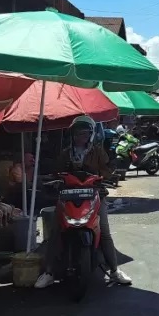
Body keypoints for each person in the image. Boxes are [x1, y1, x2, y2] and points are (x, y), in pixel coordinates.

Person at [35, 116, 131, 288]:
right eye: (79, 134)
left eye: (86, 133)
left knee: (105, 232)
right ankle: (49, 272)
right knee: (56, 233)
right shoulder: (65, 153)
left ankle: (115, 271)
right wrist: (54, 179)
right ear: (73, 135)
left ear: (91, 135)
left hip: (94, 194)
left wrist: (103, 175)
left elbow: (108, 168)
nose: (82, 137)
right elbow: (57, 172)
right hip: (68, 197)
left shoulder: (98, 151)